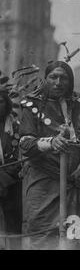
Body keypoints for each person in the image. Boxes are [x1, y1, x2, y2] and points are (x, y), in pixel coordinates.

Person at [19, 61, 80, 250]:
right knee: (41, 237)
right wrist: (51, 143)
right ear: (45, 79)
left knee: (77, 241)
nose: (58, 82)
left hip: (77, 183)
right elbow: (25, 143)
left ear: (70, 82)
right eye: (53, 77)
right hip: (43, 182)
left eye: (63, 78)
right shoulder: (31, 104)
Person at [0, 83, 21, 249]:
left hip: (11, 183)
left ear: (6, 103)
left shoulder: (15, 127)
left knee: (13, 223)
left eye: (0, 101)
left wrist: (3, 179)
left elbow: (20, 157)